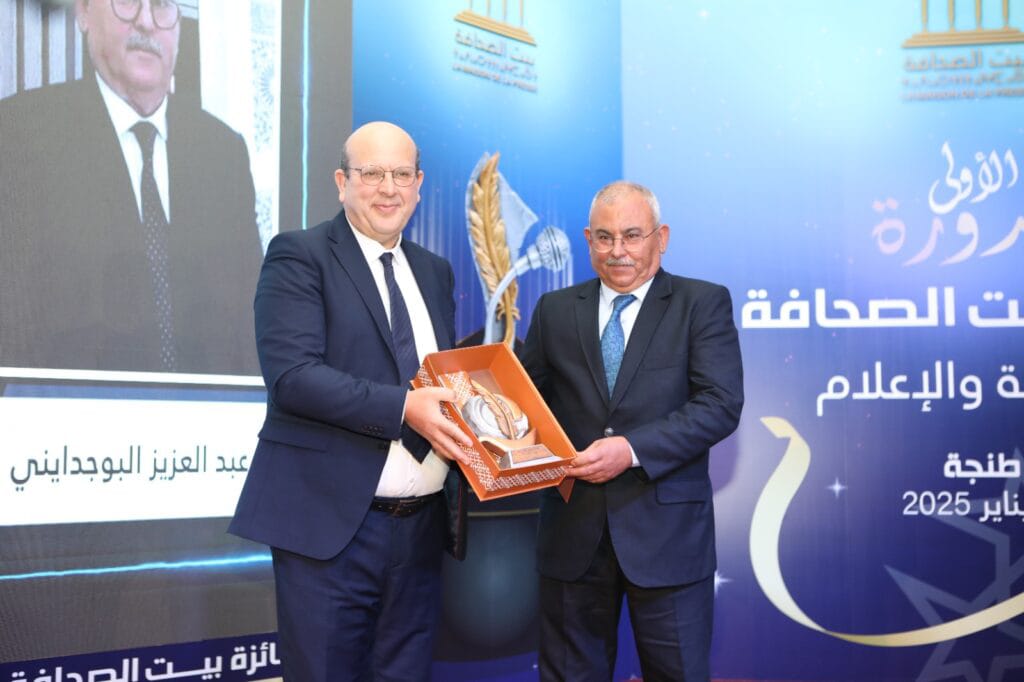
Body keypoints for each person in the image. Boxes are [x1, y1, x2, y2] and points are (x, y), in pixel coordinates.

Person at [229, 121, 472, 682]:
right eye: (371, 173)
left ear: (419, 186)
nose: (388, 188)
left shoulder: (435, 272)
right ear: (342, 183)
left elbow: (440, 380)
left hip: (421, 533)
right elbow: (293, 378)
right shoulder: (300, 255)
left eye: (401, 174)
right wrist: (404, 409)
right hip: (331, 532)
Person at [521, 181, 744, 681]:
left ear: (661, 238)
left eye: (632, 235)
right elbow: (524, 404)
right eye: (604, 237)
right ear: (588, 240)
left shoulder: (701, 303)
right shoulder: (554, 310)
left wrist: (631, 449)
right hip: (571, 538)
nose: (617, 250)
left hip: (668, 542)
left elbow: (720, 404)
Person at [0, 0, 261, 373]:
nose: (146, 22)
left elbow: (251, 324)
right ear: (84, 13)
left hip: (208, 407)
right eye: (127, 2)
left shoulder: (222, 151)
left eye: (162, 6)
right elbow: (12, 328)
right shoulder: (19, 136)